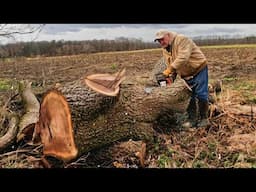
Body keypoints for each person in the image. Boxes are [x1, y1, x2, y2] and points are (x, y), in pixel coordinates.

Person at [154, 29, 210, 128]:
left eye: (162, 39)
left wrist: (168, 71)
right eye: (158, 41)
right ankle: (192, 119)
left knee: (201, 94)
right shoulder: (165, 49)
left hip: (198, 69)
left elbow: (183, 58)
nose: (161, 42)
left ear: (168, 35)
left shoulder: (182, 40)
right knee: (189, 97)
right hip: (185, 74)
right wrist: (170, 77)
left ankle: (204, 119)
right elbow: (171, 64)